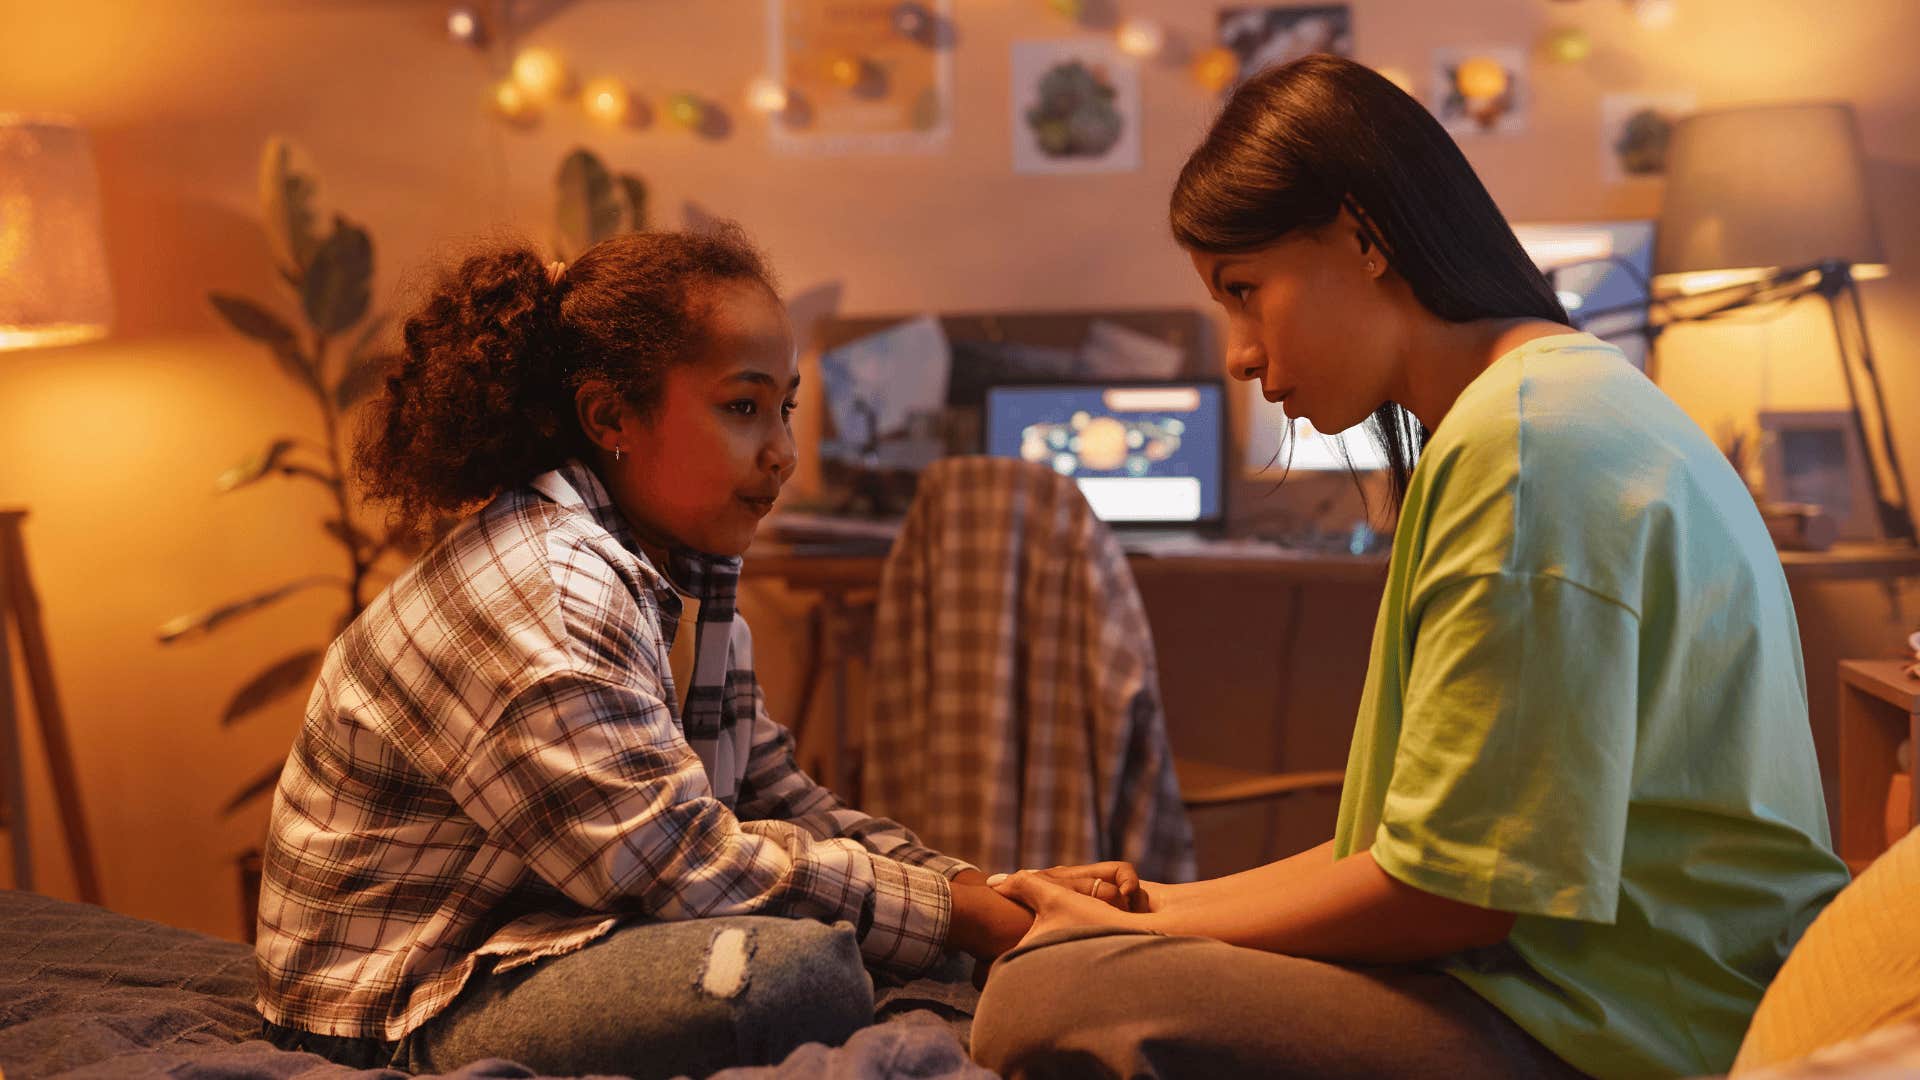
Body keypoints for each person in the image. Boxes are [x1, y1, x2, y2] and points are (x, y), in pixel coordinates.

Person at [970, 55, 1850, 1080]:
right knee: (1081, 959)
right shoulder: (1541, 409)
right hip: (1582, 993)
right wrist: (1146, 905)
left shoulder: (1526, 451)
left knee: (1054, 994)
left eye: (1245, 291)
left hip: (1618, 1033)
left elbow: (1455, 895)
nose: (1239, 355)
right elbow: (1409, 853)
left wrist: (1126, 940)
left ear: (1362, 235)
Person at [253, 225, 1031, 1078]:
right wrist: (957, 917)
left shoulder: (681, 577)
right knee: (798, 976)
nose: (783, 452)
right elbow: (680, 863)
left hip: (535, 937)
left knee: (886, 932)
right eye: (743, 407)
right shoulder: (548, 588)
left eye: (787, 407)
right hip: (395, 1008)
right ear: (610, 416)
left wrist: (987, 891)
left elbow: (776, 795)